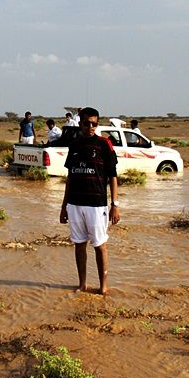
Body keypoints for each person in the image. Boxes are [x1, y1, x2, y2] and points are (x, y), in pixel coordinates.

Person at [59, 107, 119, 295]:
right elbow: (70, 177)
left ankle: (103, 286)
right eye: (87, 123)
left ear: (97, 124)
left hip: (97, 205)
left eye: (94, 123)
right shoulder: (74, 145)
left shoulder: (104, 144)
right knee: (79, 245)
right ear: (80, 123)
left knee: (100, 246)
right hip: (75, 203)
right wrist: (64, 207)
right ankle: (82, 284)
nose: (90, 127)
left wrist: (115, 206)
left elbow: (113, 176)